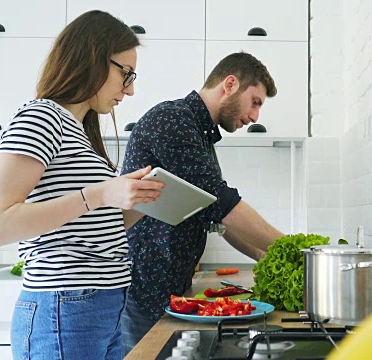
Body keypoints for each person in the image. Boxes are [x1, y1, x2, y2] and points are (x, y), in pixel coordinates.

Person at [0, 10, 164, 360]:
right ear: (93, 58)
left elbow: (83, 223)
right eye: (126, 73)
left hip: (99, 308)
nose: (131, 89)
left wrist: (140, 203)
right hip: (64, 309)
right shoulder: (41, 116)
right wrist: (100, 194)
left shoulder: (81, 133)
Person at [120, 51, 284, 353]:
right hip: (142, 291)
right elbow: (224, 205)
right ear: (230, 84)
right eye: (255, 101)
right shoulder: (172, 120)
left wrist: (270, 259)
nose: (255, 116)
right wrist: (293, 248)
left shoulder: (201, 135)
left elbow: (218, 216)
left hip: (169, 289)